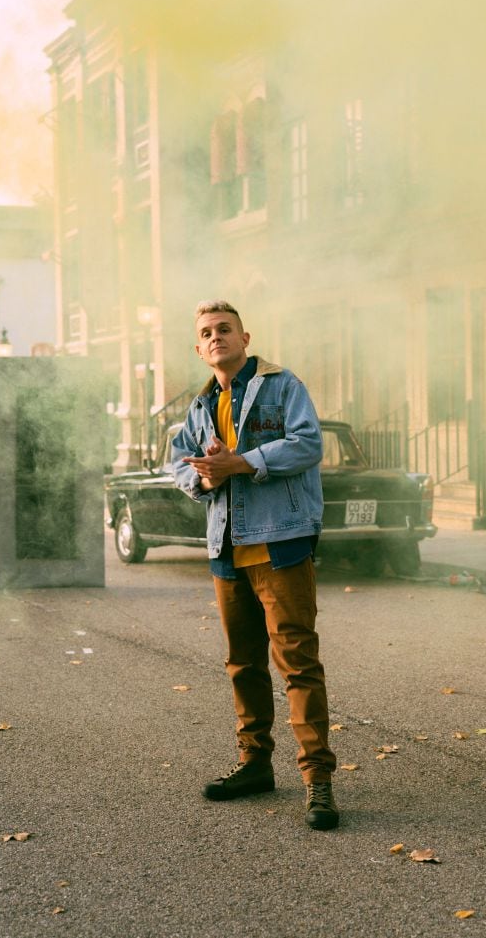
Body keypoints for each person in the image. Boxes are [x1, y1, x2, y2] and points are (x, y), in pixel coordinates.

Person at [172, 300, 338, 831]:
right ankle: (254, 765)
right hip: (226, 548)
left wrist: (240, 462)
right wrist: (204, 477)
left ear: (245, 337)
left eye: (225, 329)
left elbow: (309, 444)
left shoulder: (283, 385)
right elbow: (179, 462)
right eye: (207, 333)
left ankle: (318, 782)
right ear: (199, 350)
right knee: (242, 664)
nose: (216, 337)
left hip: (281, 544)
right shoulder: (200, 408)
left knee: (297, 665)